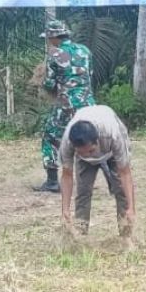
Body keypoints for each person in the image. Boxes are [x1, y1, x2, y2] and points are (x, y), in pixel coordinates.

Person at [59, 105, 137, 242]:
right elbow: (66, 175)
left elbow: (125, 172)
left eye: (90, 151)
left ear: (97, 141)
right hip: (87, 155)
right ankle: (80, 236)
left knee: (121, 191)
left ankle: (126, 236)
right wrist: (65, 209)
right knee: (83, 192)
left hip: (111, 152)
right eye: (80, 152)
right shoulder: (67, 142)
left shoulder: (113, 134)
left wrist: (131, 208)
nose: (88, 155)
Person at [34, 19, 96, 193]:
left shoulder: (55, 54)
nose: (48, 41)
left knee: (50, 137)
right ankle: (110, 175)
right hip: (89, 104)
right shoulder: (85, 51)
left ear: (54, 37)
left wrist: (44, 83)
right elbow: (90, 75)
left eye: (48, 38)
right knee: (92, 138)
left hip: (66, 105)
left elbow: (49, 83)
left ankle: (52, 181)